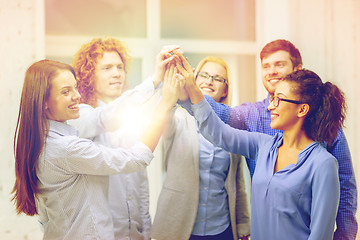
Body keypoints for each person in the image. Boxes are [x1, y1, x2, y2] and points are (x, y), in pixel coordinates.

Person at [181, 39, 357, 239]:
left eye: (279, 99)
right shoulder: (263, 144)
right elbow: (217, 130)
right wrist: (188, 92)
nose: (271, 106)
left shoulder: (323, 163)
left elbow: (324, 228)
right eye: (266, 66)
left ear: (302, 109)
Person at [11, 59, 180, 240]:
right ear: (43, 101)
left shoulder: (44, 140)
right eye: (66, 91)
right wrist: (164, 106)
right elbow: (137, 158)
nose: (76, 95)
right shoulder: (66, 147)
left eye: (74, 87)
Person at [68, 37, 180, 240]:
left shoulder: (130, 120)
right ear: (88, 76)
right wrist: (155, 79)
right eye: (107, 68)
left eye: (120, 67)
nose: (116, 73)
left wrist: (145, 232)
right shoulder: (82, 118)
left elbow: (140, 183)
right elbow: (106, 117)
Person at [151, 56, 250, 240]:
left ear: (225, 89)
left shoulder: (232, 127)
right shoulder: (178, 118)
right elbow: (161, 115)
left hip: (221, 228)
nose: (209, 81)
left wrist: (244, 225)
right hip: (178, 227)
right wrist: (174, 85)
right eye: (203, 75)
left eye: (217, 78)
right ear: (194, 80)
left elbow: (238, 182)